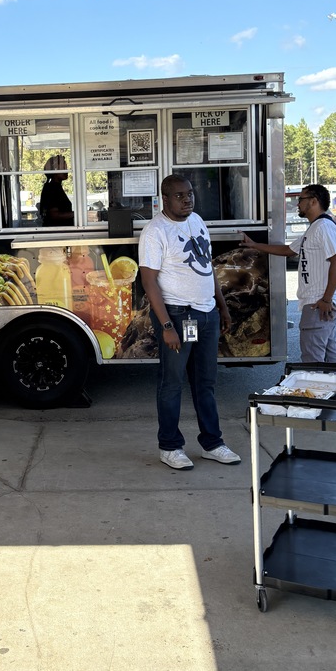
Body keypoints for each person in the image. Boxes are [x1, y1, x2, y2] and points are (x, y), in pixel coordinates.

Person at [139, 174, 239, 470]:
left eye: (190, 194)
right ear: (165, 199)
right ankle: (170, 446)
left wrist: (222, 306)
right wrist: (167, 326)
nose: (187, 200)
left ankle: (212, 443)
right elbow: (149, 282)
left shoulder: (197, 221)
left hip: (206, 314)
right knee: (171, 383)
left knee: (205, 383)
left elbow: (207, 268)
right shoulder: (155, 231)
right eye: (179, 196)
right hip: (178, 315)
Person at [241, 183, 336, 363]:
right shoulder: (315, 228)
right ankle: (332, 382)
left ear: (313, 201)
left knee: (313, 361)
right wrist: (254, 245)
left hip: (318, 303)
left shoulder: (324, 227)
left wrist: (327, 299)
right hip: (319, 302)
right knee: (329, 359)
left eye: (301, 199)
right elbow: (288, 250)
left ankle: (318, 383)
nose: (298, 204)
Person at [39, 154, 74, 226]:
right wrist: (77, 214)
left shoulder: (54, 186)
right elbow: (54, 215)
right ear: (54, 171)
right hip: (56, 230)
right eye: (63, 168)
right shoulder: (52, 188)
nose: (66, 171)